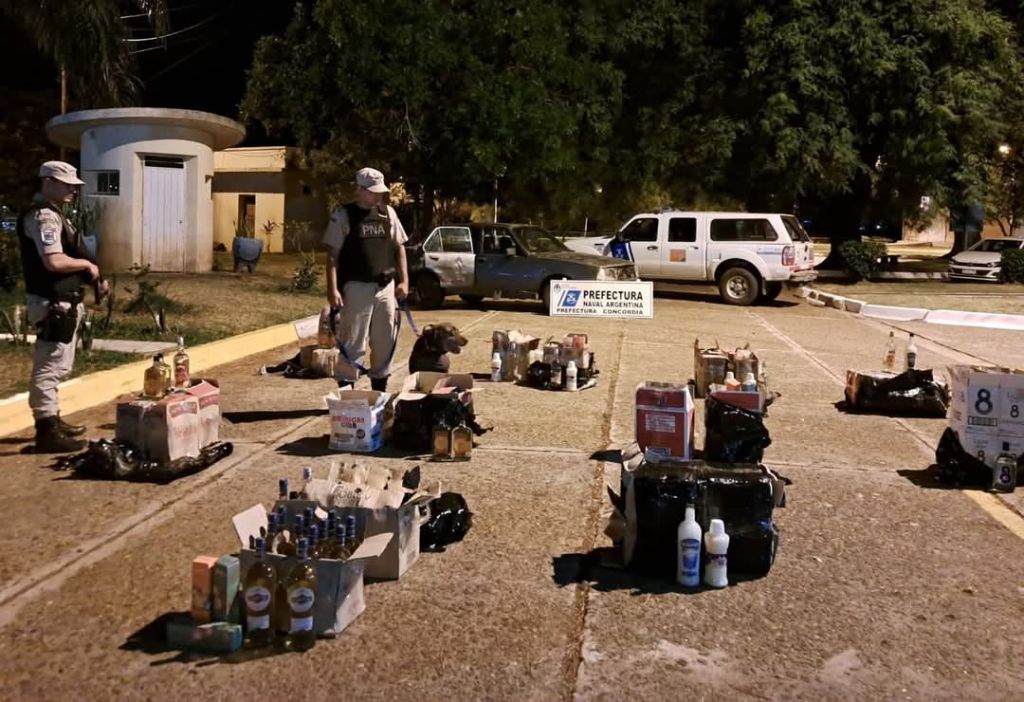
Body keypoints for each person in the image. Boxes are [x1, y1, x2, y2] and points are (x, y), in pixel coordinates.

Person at [17, 160, 108, 453]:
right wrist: (86, 264)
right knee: (49, 365)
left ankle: (52, 418)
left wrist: (92, 277)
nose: (73, 189)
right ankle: (46, 430)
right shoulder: (44, 217)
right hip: (52, 301)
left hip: (64, 302)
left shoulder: (57, 215)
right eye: (66, 183)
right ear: (48, 182)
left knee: (60, 364)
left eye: (74, 184)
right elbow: (54, 261)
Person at [323, 167, 409, 392]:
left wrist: (404, 281)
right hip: (356, 287)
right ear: (359, 189)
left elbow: (400, 247)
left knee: (384, 341)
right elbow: (332, 256)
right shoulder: (343, 215)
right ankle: (346, 396)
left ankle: (379, 393)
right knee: (353, 341)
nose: (378, 196)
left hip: (385, 287)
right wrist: (333, 290)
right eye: (373, 192)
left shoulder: (388, 213)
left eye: (380, 191)